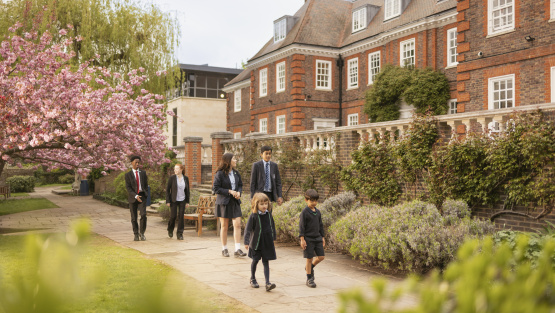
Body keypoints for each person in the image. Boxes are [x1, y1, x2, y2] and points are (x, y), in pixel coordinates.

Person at [213, 153, 247, 258]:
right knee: (224, 226)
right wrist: (230, 191)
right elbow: (216, 188)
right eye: (234, 159)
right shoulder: (220, 174)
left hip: (235, 202)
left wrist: (239, 193)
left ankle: (237, 249)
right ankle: (224, 249)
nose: (236, 161)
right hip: (223, 202)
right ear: (228, 161)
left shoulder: (236, 173)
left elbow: (240, 185)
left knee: (237, 224)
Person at [244, 193, 277, 292]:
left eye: (266, 204)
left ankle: (267, 283)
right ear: (256, 204)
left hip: (266, 242)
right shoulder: (253, 216)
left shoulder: (268, 214)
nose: (264, 206)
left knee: (266, 262)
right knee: (255, 260)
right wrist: (246, 242)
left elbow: (272, 226)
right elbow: (248, 230)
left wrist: (273, 238)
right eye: (262, 204)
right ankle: (253, 278)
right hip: (256, 243)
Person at [299, 189, 325, 288]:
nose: (314, 203)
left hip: (317, 238)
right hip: (308, 239)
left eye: (315, 201)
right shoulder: (304, 212)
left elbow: (321, 225)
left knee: (321, 257)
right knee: (309, 258)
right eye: (311, 201)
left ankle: (310, 267)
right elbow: (301, 227)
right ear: (306, 200)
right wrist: (302, 239)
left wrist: (322, 237)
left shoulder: (318, 212)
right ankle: (309, 278)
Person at [125, 155, 149, 241]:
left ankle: (142, 233)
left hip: (142, 196)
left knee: (143, 215)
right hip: (133, 197)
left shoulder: (143, 173)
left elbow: (146, 185)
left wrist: (145, 193)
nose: (138, 164)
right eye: (136, 162)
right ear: (132, 163)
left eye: (139, 162)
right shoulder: (128, 175)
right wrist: (135, 196)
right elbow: (128, 188)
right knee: (133, 217)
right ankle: (136, 234)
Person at [165, 163, 190, 240]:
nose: (175, 170)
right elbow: (167, 190)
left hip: (182, 200)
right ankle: (170, 229)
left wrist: (187, 201)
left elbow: (187, 191)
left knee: (181, 216)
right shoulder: (172, 178)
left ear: (181, 170)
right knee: (173, 216)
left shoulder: (186, 178)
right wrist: (168, 201)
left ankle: (180, 233)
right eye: (174, 169)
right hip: (173, 200)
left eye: (177, 169)